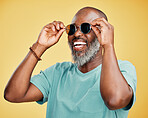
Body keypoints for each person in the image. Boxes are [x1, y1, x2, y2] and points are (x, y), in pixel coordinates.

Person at [4, 7, 137, 118]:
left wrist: (108, 44)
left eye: (85, 28)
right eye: (71, 29)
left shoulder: (122, 70)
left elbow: (114, 100)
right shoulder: (57, 73)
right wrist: (39, 45)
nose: (76, 34)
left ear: (102, 32)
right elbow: (13, 95)